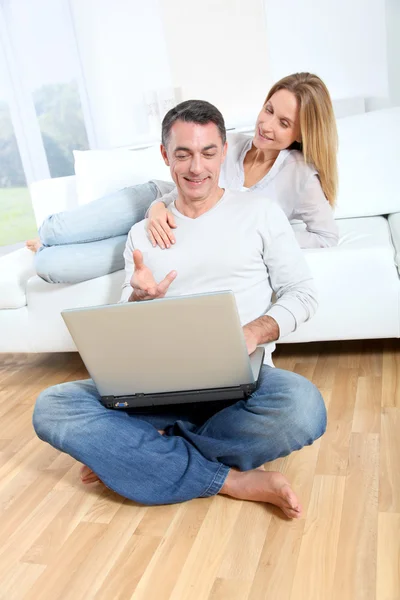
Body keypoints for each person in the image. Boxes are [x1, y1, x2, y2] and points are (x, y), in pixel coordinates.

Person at [33, 100, 327, 519]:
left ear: (224, 152)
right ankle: (231, 481)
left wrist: (253, 332)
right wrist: (137, 301)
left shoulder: (260, 213)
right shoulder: (142, 233)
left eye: (208, 152)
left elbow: (302, 293)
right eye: (183, 153)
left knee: (304, 407)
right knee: (52, 407)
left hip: (239, 386)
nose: (196, 167)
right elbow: (122, 325)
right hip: (152, 390)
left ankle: (139, 449)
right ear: (165, 155)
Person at [27, 72, 338, 284]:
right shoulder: (233, 143)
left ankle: (45, 249)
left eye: (283, 122)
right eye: (268, 109)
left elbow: (326, 237)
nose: (266, 125)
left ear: (302, 132)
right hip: (156, 201)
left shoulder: (300, 175)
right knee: (57, 228)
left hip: (178, 234)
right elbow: (191, 178)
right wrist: (156, 208)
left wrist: (265, 236)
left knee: (50, 266)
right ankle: (48, 238)